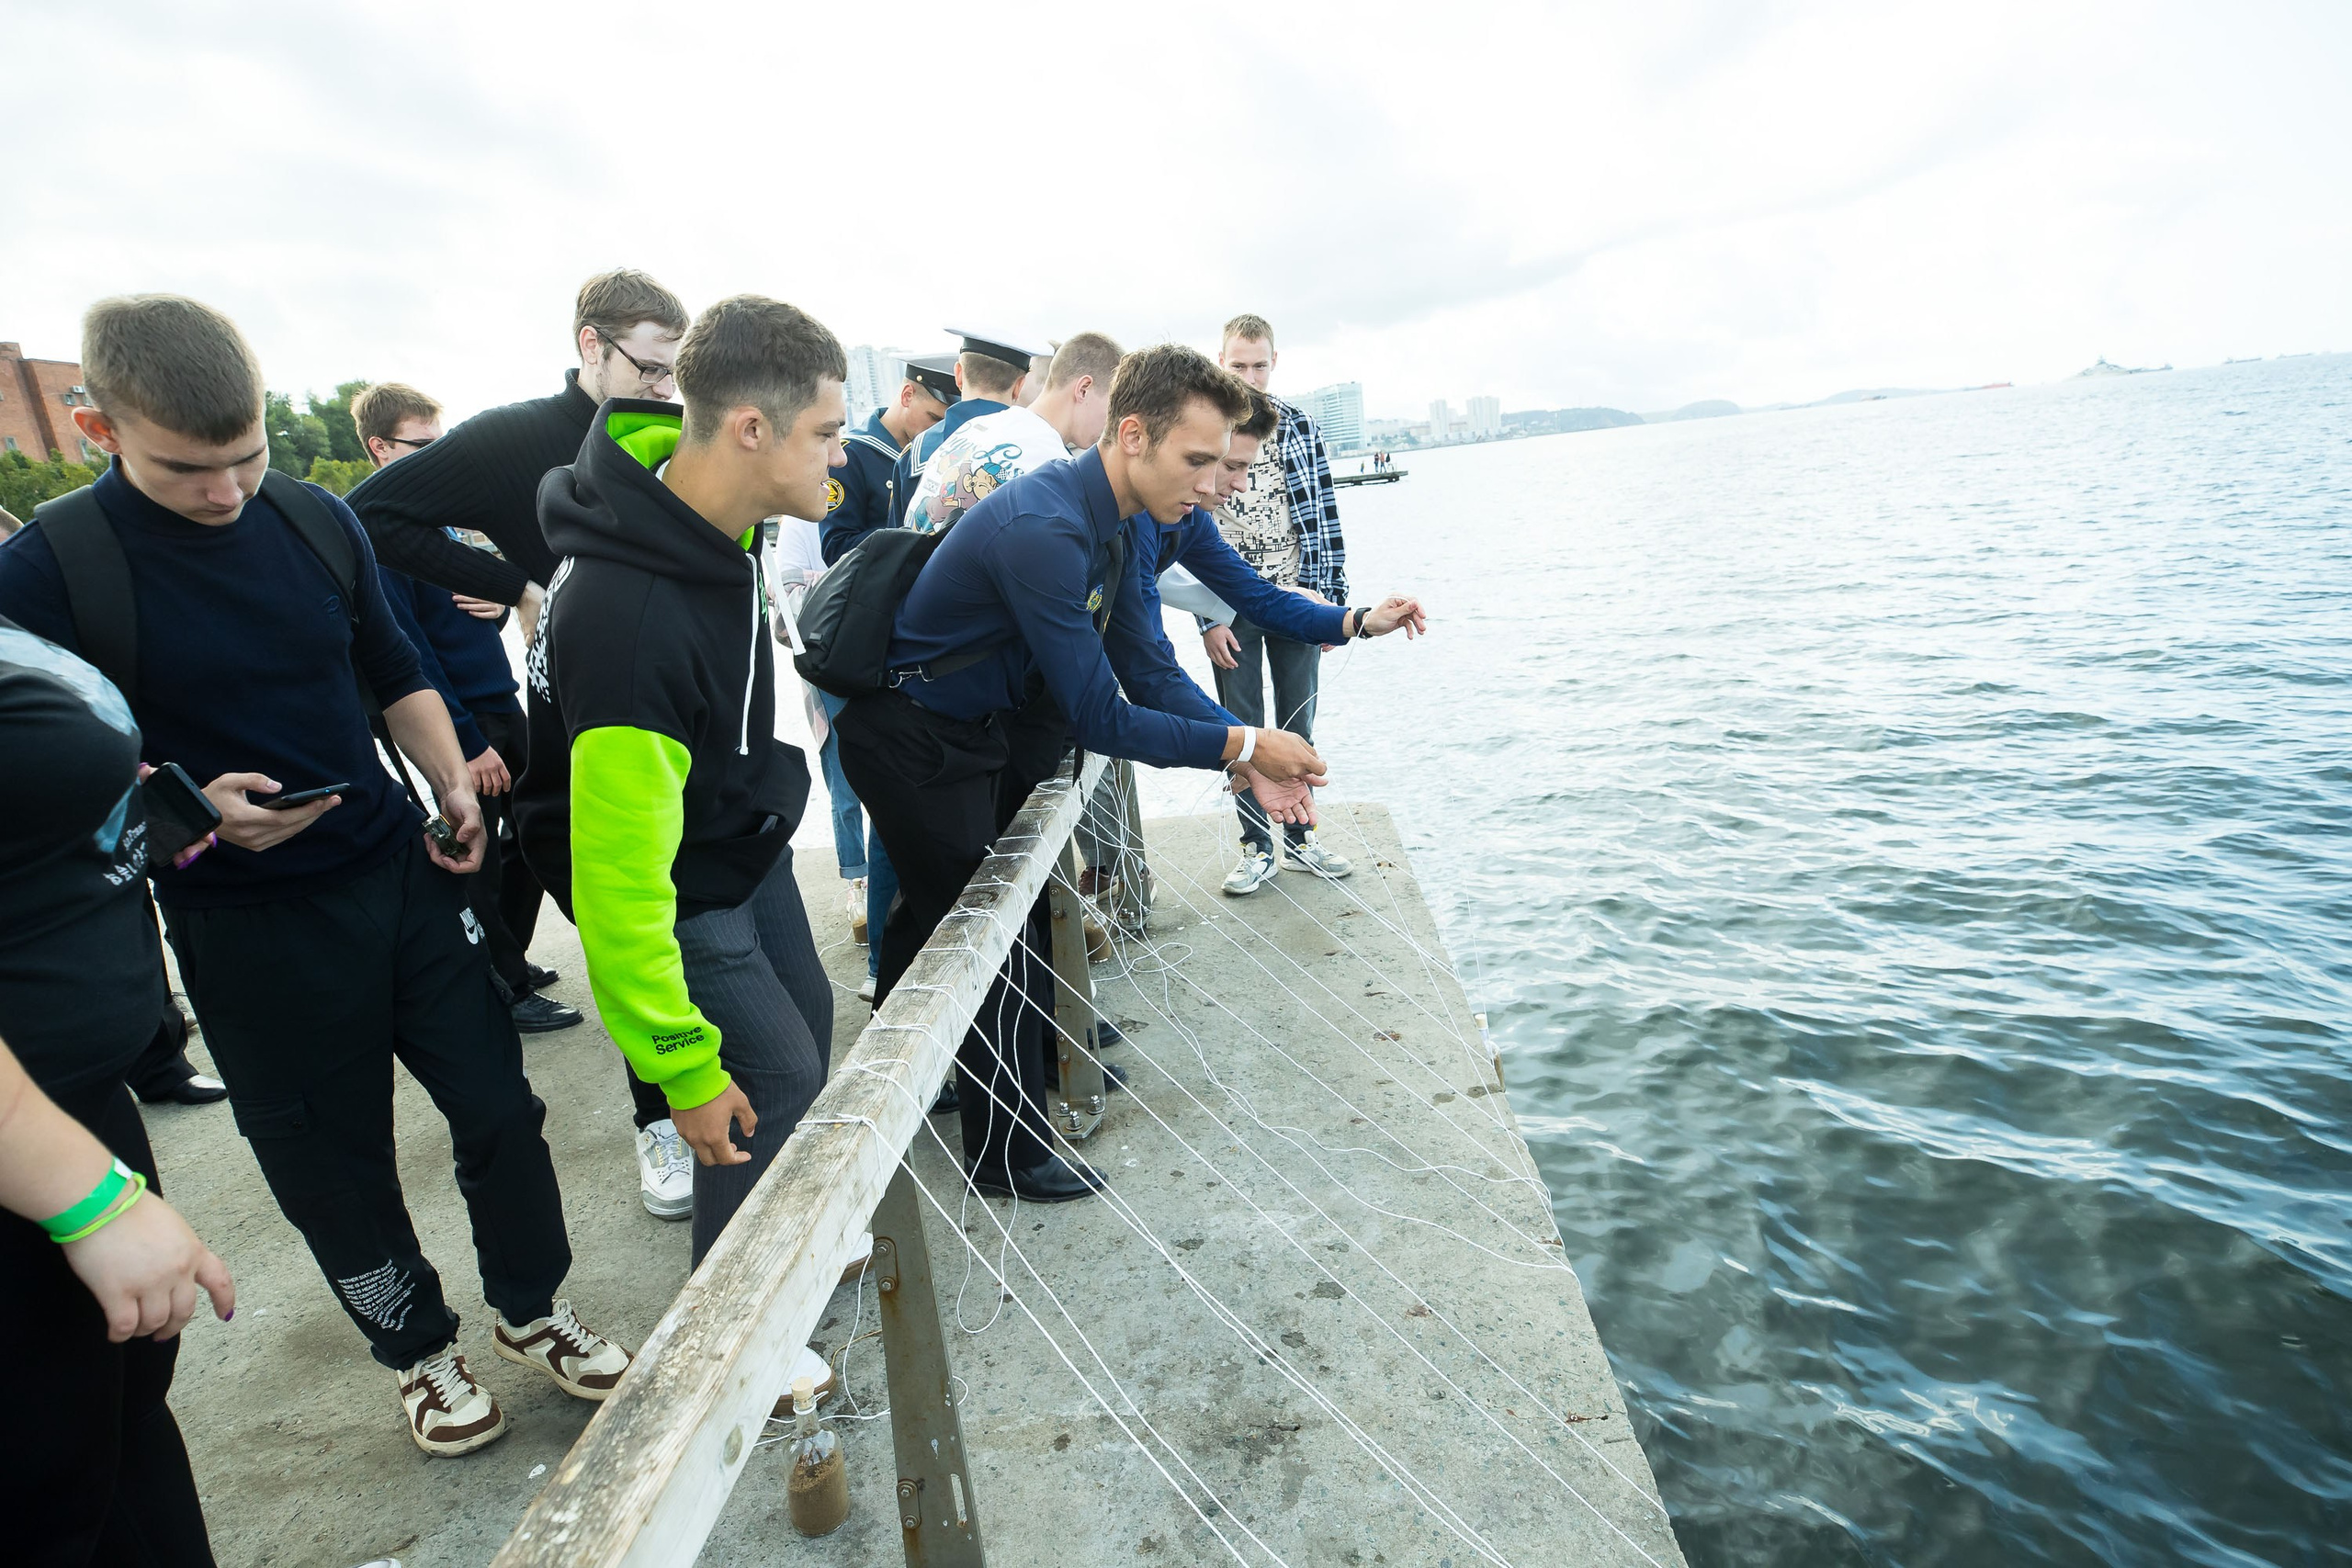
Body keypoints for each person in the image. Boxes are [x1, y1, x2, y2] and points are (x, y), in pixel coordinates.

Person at [0, 295, 628, 1460]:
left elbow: (392, 665)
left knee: (501, 1107)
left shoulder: (310, 516)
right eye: (188, 470)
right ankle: (418, 1351)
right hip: (241, 924)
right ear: (98, 431)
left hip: (395, 872)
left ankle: (533, 1307)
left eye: (246, 457)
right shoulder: (45, 575)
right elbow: (41, 797)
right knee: (334, 1162)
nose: (226, 492)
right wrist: (188, 813)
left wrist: (449, 781)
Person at [836, 344, 1327, 1204]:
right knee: (992, 935)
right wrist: (1246, 746)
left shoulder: (1114, 518)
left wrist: (1243, 756)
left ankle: (933, 1066)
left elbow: (1141, 663)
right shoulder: (1047, 526)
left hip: (971, 728)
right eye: (1198, 459)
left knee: (960, 912)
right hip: (910, 738)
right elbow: (1103, 715)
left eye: (1221, 461)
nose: (1213, 484)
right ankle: (1006, 1152)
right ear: (1132, 435)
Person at [513, 294, 850, 1399]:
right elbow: (615, 888)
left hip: (735, 833)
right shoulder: (631, 617)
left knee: (808, 1030)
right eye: (826, 433)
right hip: (675, 884)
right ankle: (734, 1340)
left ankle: (782, 1236)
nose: (841, 459)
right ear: (750, 428)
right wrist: (680, 1069)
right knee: (765, 1077)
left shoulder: (703, 509)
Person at [347, 268, 690, 1206]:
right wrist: (517, 587)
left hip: (680, 716)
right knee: (632, 925)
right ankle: (658, 1123)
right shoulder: (515, 438)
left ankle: (723, 1093)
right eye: (650, 368)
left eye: (676, 373)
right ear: (591, 345)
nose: (664, 389)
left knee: (706, 927)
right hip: (580, 723)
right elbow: (372, 518)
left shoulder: (677, 428)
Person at [0, 610, 233, 1566]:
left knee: (124, 1437)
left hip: (78, 1107)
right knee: (42, 1499)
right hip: (28, 1160)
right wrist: (83, 1197)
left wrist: (139, 817)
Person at [354, 381, 580, 1034]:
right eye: (424, 446)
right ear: (380, 448)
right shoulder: (384, 541)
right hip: (463, 725)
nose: (440, 458)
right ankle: (500, 985)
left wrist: (498, 597)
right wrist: (462, 745)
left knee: (537, 834)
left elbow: (475, 615)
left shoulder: (446, 527)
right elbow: (407, 659)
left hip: (499, 702)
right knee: (474, 850)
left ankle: (507, 957)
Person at [814, 354, 956, 993]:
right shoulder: (857, 456)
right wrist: (909, 541)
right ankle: (880, 965)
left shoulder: (932, 454)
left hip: (915, 650)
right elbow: (836, 545)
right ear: (906, 396)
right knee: (882, 811)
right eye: (931, 413)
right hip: (870, 649)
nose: (935, 426)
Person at [1211, 313, 1352, 893]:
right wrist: (1207, 618)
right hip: (1228, 600)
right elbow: (1189, 524)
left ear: (1275, 364)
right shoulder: (1208, 427)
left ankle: (1301, 839)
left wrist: (1329, 605)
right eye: (1238, 365)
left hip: (1295, 596)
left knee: (1299, 720)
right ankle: (1255, 846)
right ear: (1221, 363)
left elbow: (1322, 514)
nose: (1250, 377)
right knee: (1239, 729)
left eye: (1260, 366)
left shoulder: (1298, 426)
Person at [903, 332, 1122, 534]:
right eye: (1113, 404)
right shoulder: (1053, 465)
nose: (1112, 420)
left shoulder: (973, 428)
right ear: (1083, 389)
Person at [881, 330, 1044, 539]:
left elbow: (896, 542)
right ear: (1019, 386)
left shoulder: (916, 453)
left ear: (958, 375)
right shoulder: (1042, 448)